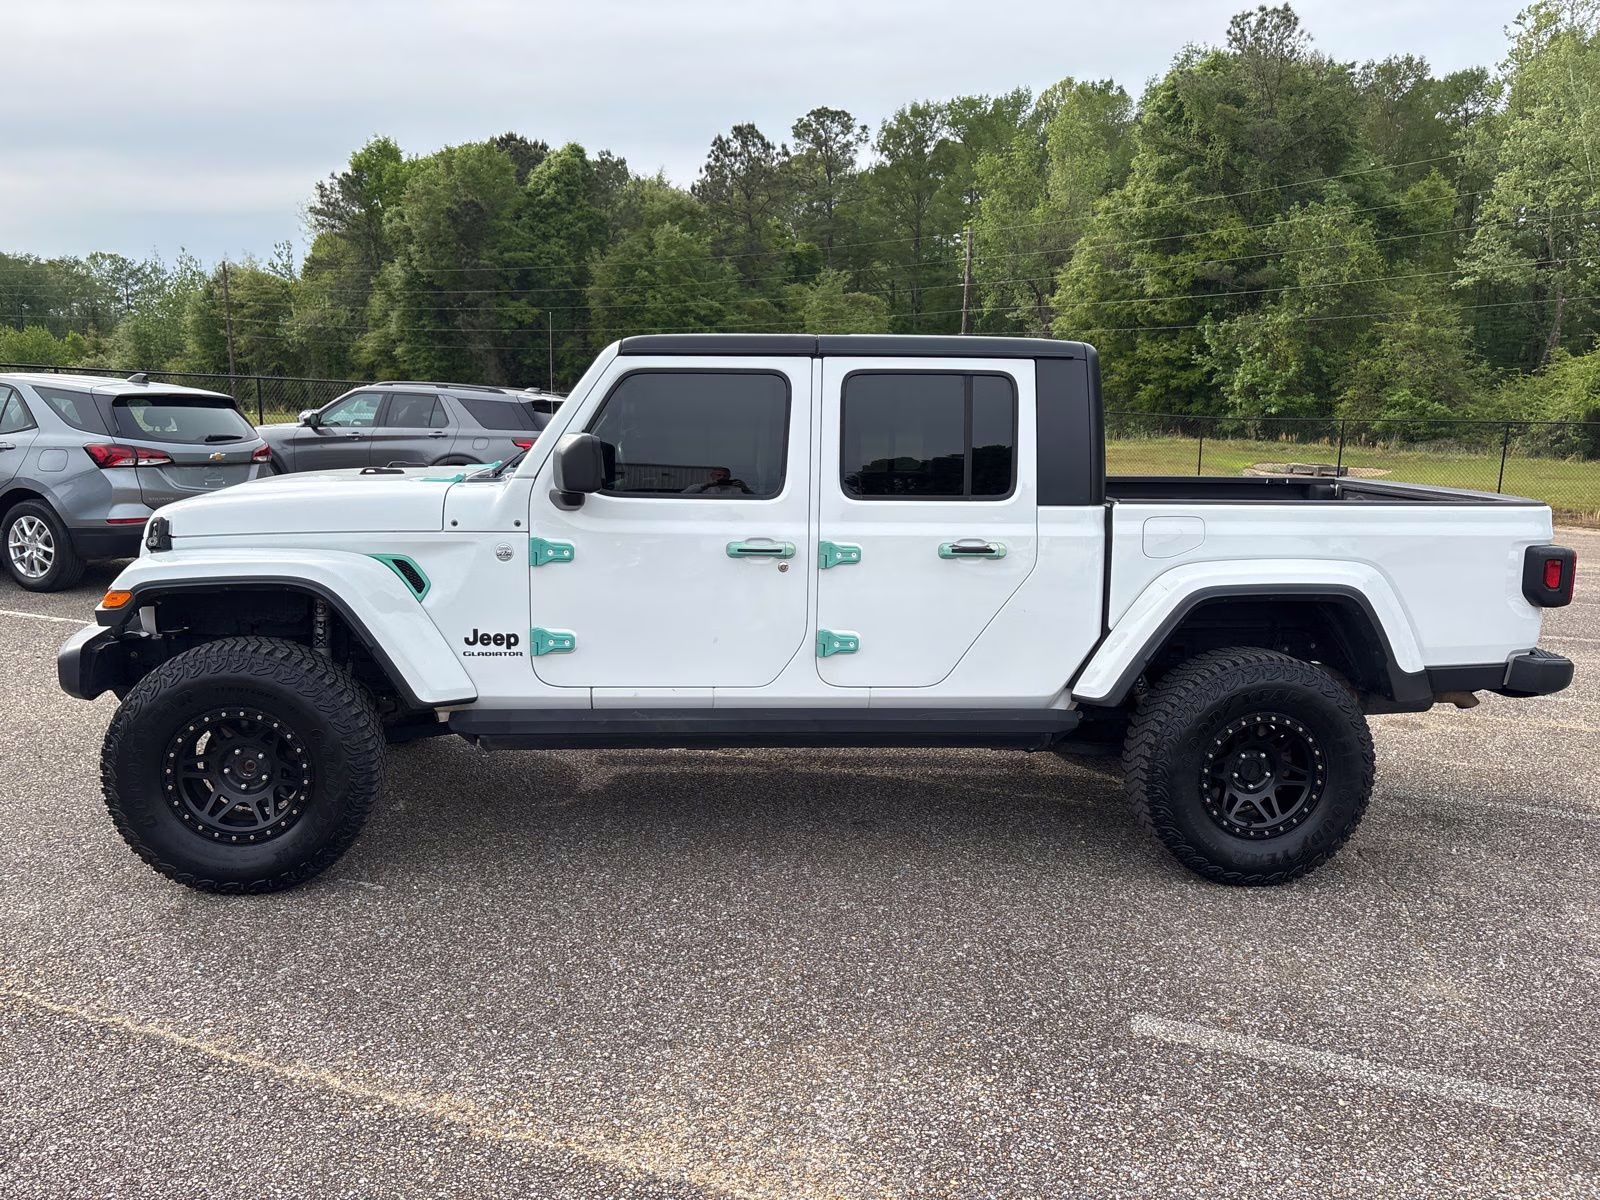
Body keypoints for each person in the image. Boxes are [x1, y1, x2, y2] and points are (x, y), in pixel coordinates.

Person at [682, 466, 752, 495]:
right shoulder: (704, 487)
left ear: (729, 477)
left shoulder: (737, 489)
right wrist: (705, 486)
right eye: (719, 475)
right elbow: (684, 494)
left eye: (725, 476)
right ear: (712, 476)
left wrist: (745, 489)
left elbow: (755, 498)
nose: (722, 477)